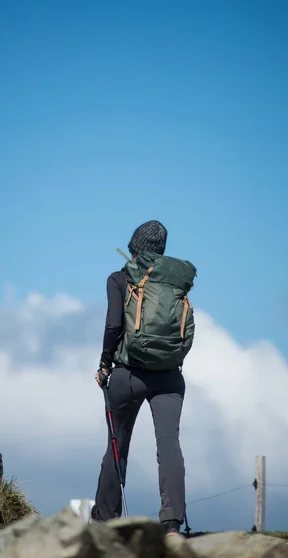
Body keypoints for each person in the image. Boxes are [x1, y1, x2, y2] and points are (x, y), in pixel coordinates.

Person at [92, 220, 196, 536]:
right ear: (161, 252)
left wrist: (104, 365)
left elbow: (113, 326)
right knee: (169, 444)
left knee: (117, 444)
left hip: (128, 373)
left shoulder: (119, 279)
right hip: (169, 376)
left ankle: (104, 522)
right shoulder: (173, 283)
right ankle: (172, 523)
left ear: (134, 247)